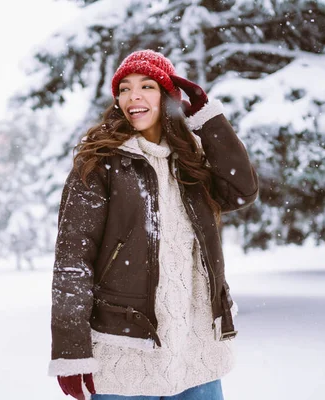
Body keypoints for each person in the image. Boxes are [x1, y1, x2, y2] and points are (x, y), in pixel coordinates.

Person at [48, 49, 259, 400]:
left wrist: (208, 119)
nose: (134, 97)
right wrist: (70, 351)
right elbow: (73, 260)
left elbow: (242, 190)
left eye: (147, 86)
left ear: (167, 96)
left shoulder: (192, 159)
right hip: (127, 348)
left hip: (195, 344)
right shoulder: (98, 163)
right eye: (125, 88)